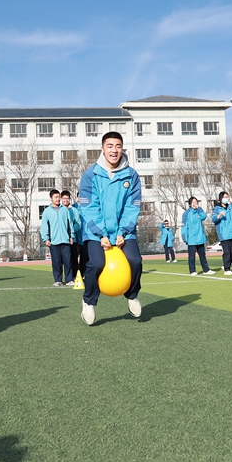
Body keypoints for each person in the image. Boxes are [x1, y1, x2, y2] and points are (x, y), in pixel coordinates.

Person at [77, 131, 143, 325]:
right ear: (102, 149)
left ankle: (132, 296)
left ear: (122, 149)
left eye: (118, 146)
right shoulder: (90, 175)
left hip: (124, 231)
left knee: (135, 261)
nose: (114, 150)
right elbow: (89, 207)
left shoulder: (132, 175)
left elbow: (133, 206)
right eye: (110, 146)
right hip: (95, 231)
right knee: (96, 263)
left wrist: (123, 232)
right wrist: (101, 235)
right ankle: (88, 301)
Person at [41, 188, 74, 286]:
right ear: (51, 198)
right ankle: (58, 280)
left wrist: (71, 236)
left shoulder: (65, 210)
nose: (58, 199)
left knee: (68, 261)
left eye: (59, 197)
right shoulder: (47, 212)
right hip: (54, 241)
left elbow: (69, 224)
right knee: (56, 262)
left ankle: (69, 280)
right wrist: (46, 239)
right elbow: (44, 226)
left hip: (65, 240)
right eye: (56, 197)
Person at [181, 196, 214, 276]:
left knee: (202, 255)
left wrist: (199, 208)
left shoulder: (199, 212)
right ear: (190, 204)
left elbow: (204, 216)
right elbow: (184, 226)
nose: (195, 204)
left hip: (200, 237)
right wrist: (185, 237)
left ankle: (206, 269)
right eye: (193, 202)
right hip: (191, 238)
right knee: (192, 256)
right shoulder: (186, 214)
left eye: (196, 202)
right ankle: (192, 271)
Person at [212, 192, 232, 274]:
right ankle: (227, 269)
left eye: (227, 197)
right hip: (224, 234)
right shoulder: (217, 208)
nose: (226, 198)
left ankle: (225, 264)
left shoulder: (230, 207)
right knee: (227, 252)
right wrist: (219, 215)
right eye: (224, 197)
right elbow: (213, 219)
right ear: (220, 198)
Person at [65, 191, 87, 280]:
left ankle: (84, 275)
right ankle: (74, 276)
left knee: (85, 258)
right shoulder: (72, 208)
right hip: (74, 238)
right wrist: (71, 231)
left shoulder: (89, 208)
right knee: (73, 258)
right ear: (77, 198)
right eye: (80, 197)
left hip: (85, 238)